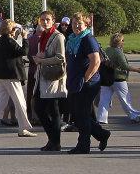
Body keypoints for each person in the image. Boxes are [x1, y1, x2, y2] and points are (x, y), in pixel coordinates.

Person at [65, 12, 109, 154]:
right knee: (77, 114)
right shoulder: (72, 39)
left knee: (81, 115)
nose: (76, 26)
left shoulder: (88, 39)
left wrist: (85, 78)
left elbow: (96, 61)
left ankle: (83, 145)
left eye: (80, 24)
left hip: (87, 83)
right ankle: (102, 134)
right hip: (74, 81)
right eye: (74, 23)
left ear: (86, 25)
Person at [33, 11, 67, 151]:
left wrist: (42, 60)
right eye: (42, 20)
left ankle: (55, 142)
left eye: (47, 19)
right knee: (39, 108)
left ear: (53, 21)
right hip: (42, 76)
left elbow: (61, 58)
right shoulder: (43, 36)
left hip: (53, 77)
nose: (45, 22)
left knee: (53, 111)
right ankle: (52, 139)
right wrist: (40, 57)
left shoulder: (58, 37)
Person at [96, 32, 140, 124]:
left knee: (104, 99)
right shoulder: (118, 52)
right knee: (125, 99)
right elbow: (124, 66)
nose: (124, 42)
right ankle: (134, 116)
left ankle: (101, 118)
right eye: (123, 40)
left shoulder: (107, 50)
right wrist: (137, 70)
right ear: (119, 42)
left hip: (106, 79)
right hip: (118, 79)